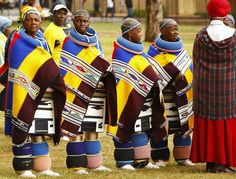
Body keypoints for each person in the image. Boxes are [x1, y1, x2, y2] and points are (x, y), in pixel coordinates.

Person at [2, 6, 66, 177]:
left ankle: (42, 167)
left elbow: (48, 62)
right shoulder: (16, 39)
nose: (33, 22)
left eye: (36, 20)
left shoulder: (43, 41)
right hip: (22, 89)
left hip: (42, 90)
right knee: (24, 126)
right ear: (23, 20)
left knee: (39, 129)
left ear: (41, 22)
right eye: (29, 19)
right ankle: (23, 168)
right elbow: (13, 62)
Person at [59, 9, 117, 175]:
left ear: (89, 22)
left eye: (85, 21)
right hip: (75, 89)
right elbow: (66, 66)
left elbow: (99, 60)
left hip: (94, 88)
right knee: (75, 127)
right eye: (78, 21)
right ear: (73, 21)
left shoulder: (94, 40)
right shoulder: (68, 41)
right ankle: (77, 165)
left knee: (93, 126)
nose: (82, 24)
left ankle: (95, 163)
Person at [107, 17, 168, 170]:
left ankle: (142, 160)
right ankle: (124, 162)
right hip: (126, 95)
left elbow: (146, 66)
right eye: (138, 30)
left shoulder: (138, 49)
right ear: (129, 33)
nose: (141, 33)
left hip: (142, 94)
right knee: (127, 122)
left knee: (141, 124)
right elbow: (127, 73)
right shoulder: (120, 52)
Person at [190, 0, 236, 173]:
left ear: (209, 12)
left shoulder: (201, 36)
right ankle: (223, 163)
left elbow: (196, 60)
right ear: (226, 13)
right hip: (229, 86)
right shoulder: (234, 34)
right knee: (226, 123)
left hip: (205, 87)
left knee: (209, 124)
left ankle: (211, 162)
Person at [147, 18, 194, 167]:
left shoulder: (182, 50)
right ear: (162, 31)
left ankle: (183, 157)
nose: (176, 32)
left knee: (182, 124)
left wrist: (184, 75)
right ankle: (160, 158)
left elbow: (189, 69)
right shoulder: (153, 50)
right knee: (161, 124)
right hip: (163, 97)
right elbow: (152, 72)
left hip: (181, 96)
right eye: (172, 29)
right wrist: (172, 73)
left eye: (176, 28)